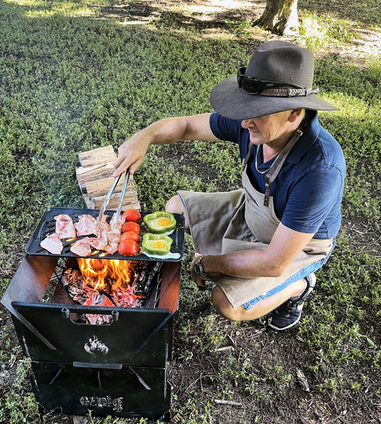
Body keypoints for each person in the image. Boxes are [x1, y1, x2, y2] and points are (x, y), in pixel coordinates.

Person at [113, 41, 346, 331]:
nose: (245, 121)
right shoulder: (252, 123)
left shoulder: (319, 169)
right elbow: (186, 126)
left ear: (294, 113)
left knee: (226, 303)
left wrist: (209, 264)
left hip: (296, 245)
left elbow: (273, 262)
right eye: (246, 107)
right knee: (174, 210)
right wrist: (144, 137)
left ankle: (298, 286)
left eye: (259, 111)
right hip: (253, 210)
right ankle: (240, 247)